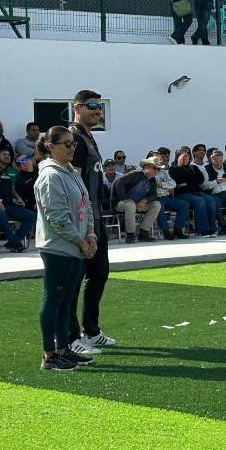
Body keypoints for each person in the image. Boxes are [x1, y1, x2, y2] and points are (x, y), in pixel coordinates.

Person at [34, 126, 97, 371]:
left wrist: (90, 233)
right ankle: (50, 355)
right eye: (67, 144)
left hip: (76, 245)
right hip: (59, 247)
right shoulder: (50, 175)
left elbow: (86, 203)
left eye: (73, 144)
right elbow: (57, 217)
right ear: (51, 146)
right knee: (54, 299)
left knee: (67, 300)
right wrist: (81, 241)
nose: (72, 148)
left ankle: (63, 348)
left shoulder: (70, 171)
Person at [68, 90, 115, 355]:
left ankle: (92, 331)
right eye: (93, 106)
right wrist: (83, 225)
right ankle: (71, 336)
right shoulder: (73, 137)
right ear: (77, 107)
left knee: (99, 275)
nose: (98, 111)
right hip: (82, 219)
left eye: (100, 107)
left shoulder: (88, 137)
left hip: (95, 218)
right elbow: (73, 182)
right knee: (75, 280)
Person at [112, 156, 162, 243]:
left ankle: (143, 233)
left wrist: (145, 200)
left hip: (138, 205)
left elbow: (153, 195)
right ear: (147, 167)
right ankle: (130, 235)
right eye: (156, 168)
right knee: (130, 204)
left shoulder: (152, 180)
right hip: (122, 203)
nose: (157, 171)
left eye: (159, 169)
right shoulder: (135, 174)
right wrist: (125, 199)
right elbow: (118, 182)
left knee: (156, 205)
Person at [169, 148, 218, 237]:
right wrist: (182, 170)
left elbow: (200, 180)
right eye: (182, 156)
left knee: (210, 200)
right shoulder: (174, 168)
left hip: (196, 192)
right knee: (200, 201)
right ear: (177, 157)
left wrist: (187, 182)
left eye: (187, 156)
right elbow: (178, 181)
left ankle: (212, 229)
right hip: (182, 194)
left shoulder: (193, 167)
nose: (185, 158)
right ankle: (202, 230)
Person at [154, 147, 189, 240]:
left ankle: (177, 229)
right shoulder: (148, 172)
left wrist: (161, 184)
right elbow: (152, 185)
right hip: (155, 199)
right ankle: (165, 231)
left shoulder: (164, 172)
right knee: (159, 207)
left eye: (159, 159)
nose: (159, 161)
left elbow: (173, 183)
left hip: (166, 198)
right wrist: (167, 185)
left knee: (184, 205)